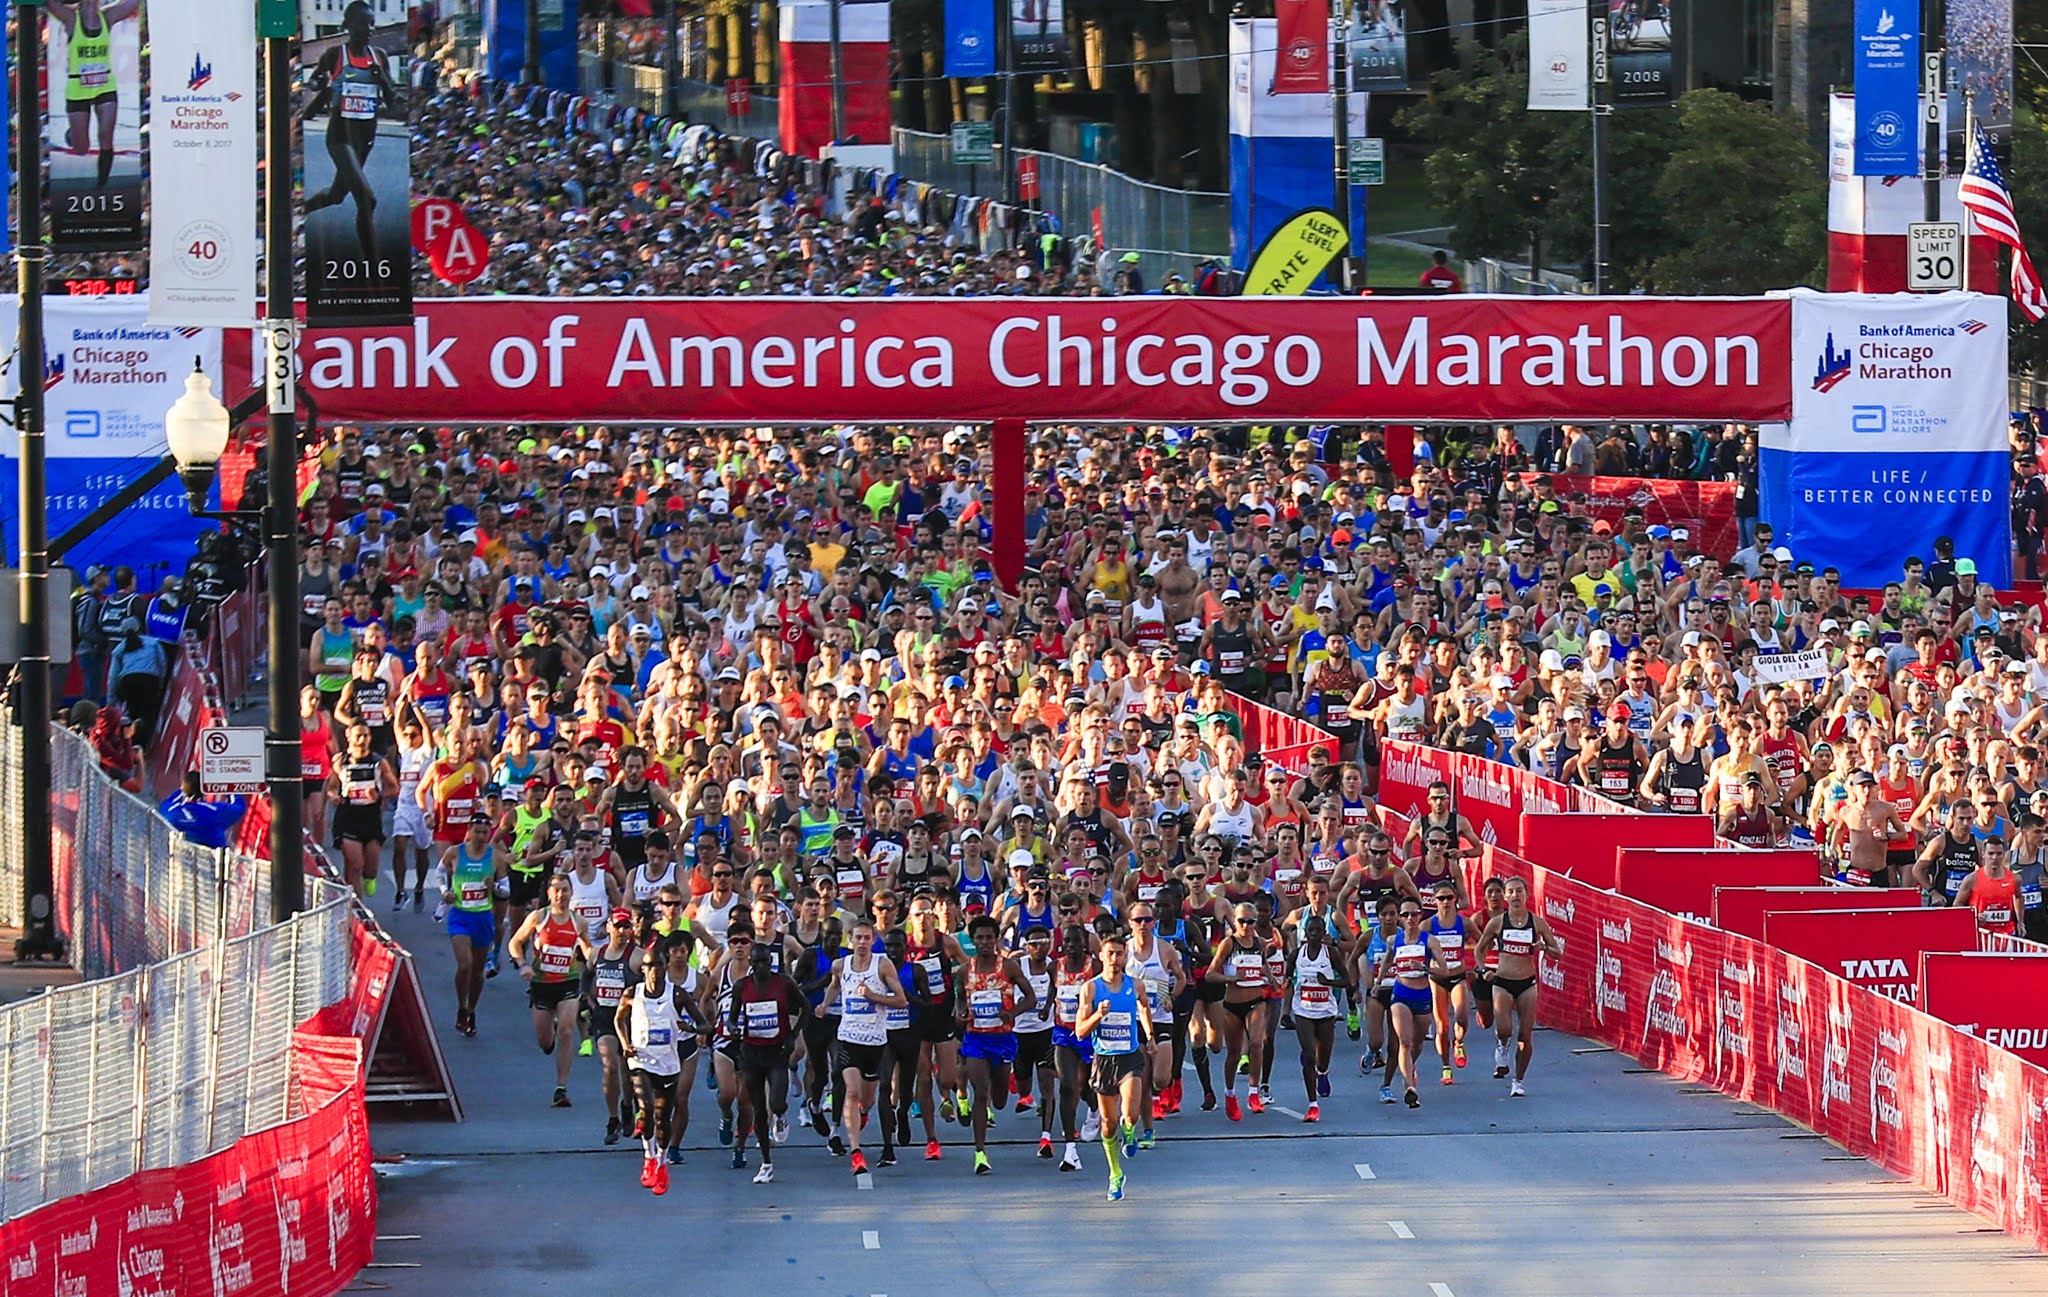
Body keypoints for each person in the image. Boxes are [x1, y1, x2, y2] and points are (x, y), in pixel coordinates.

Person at [301, 1, 404, 260]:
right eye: (362, 23)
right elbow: (315, 80)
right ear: (348, 25)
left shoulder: (379, 57)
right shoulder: (336, 54)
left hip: (365, 137)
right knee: (367, 200)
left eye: (371, 23)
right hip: (340, 136)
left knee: (336, 196)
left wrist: (382, 80)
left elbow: (393, 104)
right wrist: (319, 82)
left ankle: (299, 209)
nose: (368, 28)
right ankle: (374, 266)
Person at [616, 934, 711, 1193]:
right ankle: (648, 1157)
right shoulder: (631, 994)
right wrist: (625, 1044)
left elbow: (705, 1024)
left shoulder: (677, 995)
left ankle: (662, 1160)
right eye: (650, 966)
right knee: (645, 1110)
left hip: (668, 1064)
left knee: (662, 1117)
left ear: (664, 967)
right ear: (643, 969)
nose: (655, 971)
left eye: (659, 966)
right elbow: (619, 1019)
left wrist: (690, 1027)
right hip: (641, 1061)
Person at [1074, 928, 1154, 1202]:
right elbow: (1080, 1032)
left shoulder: (1136, 985)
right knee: (1107, 1124)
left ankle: (1130, 1129)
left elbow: (1144, 1008)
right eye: (1110, 953)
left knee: (1130, 1112)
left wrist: (1151, 1036)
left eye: (1120, 953)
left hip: (1129, 1057)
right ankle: (1115, 1174)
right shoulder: (1091, 988)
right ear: (1101, 955)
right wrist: (1099, 1014)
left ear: (1126, 955)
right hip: (1104, 1059)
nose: (1115, 958)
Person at [829, 917, 908, 1179]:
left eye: (867, 938)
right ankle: (856, 1152)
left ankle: (861, 1114)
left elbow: (901, 1001)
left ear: (873, 940)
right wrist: (823, 1006)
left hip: (875, 1043)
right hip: (848, 1038)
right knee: (851, 1092)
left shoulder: (882, 965)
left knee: (867, 1100)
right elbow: (833, 988)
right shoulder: (840, 966)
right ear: (850, 941)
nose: (862, 943)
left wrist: (873, 997)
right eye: (857, 938)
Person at [956, 913, 1034, 1174]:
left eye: (990, 937)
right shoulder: (964, 970)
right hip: (976, 1039)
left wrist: (1011, 1014)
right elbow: (958, 1002)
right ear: (973, 941)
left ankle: (999, 1093)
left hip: (1003, 1039)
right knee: (980, 1091)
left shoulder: (1009, 967)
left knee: (999, 1099)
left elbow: (1031, 998)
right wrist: (961, 1013)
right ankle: (980, 1153)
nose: (985, 942)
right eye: (980, 938)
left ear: (997, 938)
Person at [507, 873, 594, 1107]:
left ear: (571, 893)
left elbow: (587, 948)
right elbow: (514, 942)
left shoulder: (578, 922)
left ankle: (561, 1088)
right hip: (542, 984)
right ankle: (550, 1032)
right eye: (556, 890)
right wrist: (523, 965)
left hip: (568, 982)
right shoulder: (538, 917)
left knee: (567, 1031)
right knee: (545, 1042)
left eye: (565, 890)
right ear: (549, 893)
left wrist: (595, 958)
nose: (560, 895)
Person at [1471, 877, 1564, 1096]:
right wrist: (1483, 969)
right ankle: (1502, 1045)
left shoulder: (1537, 922)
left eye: (1519, 891)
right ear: (1505, 897)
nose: (1515, 896)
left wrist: (1544, 947)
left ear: (1527, 895)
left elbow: (1557, 952)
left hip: (1527, 983)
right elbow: (1479, 949)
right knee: (1504, 1029)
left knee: (1525, 1035)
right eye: (1510, 892)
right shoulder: (1498, 922)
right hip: (1502, 981)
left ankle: (1518, 1081)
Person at [726, 938, 806, 1184]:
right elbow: (732, 1017)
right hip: (751, 1052)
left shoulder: (784, 983)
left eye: (765, 962)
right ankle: (765, 1162)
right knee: (758, 1109)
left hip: (777, 1052)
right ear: (750, 963)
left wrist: (793, 1034)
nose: (761, 967)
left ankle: (781, 1116)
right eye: (757, 962)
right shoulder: (742, 986)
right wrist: (733, 1028)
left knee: (777, 1102)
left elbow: (805, 1008)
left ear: (771, 962)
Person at [46, 0, 139, 188]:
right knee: (81, 149)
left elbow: (132, 3)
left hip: (104, 85)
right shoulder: (71, 18)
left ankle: (101, 184)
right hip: (78, 88)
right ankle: (72, 134)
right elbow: (50, 4)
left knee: (106, 135)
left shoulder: (108, 16)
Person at [1373, 896, 1453, 1109]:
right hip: (1401, 994)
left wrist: (1425, 967)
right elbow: (1388, 961)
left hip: (1423, 996)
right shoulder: (1394, 941)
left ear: (1420, 916)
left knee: (1416, 1044)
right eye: (1406, 914)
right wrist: (1378, 982)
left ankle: (1410, 1067)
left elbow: (1445, 971)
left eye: (1414, 914)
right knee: (1404, 1042)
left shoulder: (1429, 941)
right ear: (1401, 917)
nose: (1410, 918)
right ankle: (1410, 1088)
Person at [441, 812, 507, 1038]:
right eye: (477, 832)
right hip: (460, 915)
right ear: (469, 831)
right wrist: (445, 891)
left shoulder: (495, 857)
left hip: (483, 917)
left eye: (485, 832)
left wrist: (495, 887)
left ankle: (471, 1010)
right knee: (465, 965)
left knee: (478, 971)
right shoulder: (455, 852)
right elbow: (440, 872)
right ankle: (461, 1006)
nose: (481, 836)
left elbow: (506, 889)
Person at [1287, 914, 1347, 1120]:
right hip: (1303, 1010)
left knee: (1323, 1055)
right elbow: (1287, 981)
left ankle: (1323, 1072)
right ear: (1305, 932)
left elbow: (1347, 980)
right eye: (1310, 931)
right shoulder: (1296, 954)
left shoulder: (1331, 954)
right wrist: (1285, 1012)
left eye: (1317, 931)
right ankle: (1313, 1104)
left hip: (1325, 1011)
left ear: (1323, 934)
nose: (1313, 935)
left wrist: (1328, 983)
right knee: (1309, 1054)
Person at [158, 770, 247, 848]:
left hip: (179, 862)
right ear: (205, 791)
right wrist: (225, 785)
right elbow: (239, 807)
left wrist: (187, 787)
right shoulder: (216, 812)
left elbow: (169, 800)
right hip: (212, 864)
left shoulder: (169, 810)